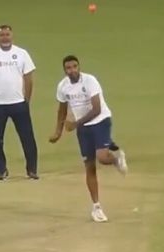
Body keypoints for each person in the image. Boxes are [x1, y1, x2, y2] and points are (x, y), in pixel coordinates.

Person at [49, 55, 128, 223]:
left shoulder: (90, 81)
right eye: (69, 68)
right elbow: (62, 110)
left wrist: (76, 124)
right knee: (89, 166)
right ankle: (96, 207)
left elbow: (97, 109)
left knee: (102, 157)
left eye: (75, 66)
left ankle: (116, 158)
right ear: (65, 70)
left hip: (100, 121)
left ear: (79, 66)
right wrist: (58, 131)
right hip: (83, 129)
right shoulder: (63, 87)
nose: (72, 70)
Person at [0, 24, 39, 180]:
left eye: (7, 34)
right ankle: (1, 170)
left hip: (18, 103)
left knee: (27, 137)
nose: (5, 37)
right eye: (2, 35)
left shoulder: (22, 54)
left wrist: (27, 100)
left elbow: (28, 78)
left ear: (12, 36)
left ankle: (32, 170)